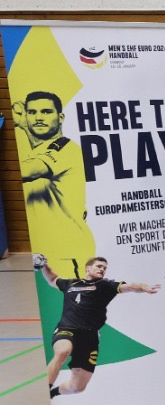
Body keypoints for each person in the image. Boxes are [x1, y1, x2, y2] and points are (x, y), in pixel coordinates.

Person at [39, 256, 159, 397]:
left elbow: (130, 286)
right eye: (99, 266)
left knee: (77, 387)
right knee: (62, 351)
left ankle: (52, 393)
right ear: (88, 268)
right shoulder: (70, 283)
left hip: (89, 337)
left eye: (104, 268)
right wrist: (43, 266)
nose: (102, 269)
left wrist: (143, 287)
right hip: (67, 329)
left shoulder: (105, 286)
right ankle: (42, 393)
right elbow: (53, 279)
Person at [14, 90, 96, 277]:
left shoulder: (66, 148)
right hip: (45, 253)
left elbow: (29, 171)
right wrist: (23, 126)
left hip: (69, 254)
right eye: (32, 113)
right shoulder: (34, 150)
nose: (38, 118)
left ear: (60, 117)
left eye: (46, 112)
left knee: (79, 306)